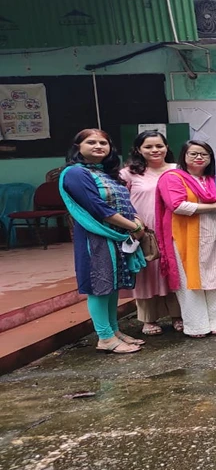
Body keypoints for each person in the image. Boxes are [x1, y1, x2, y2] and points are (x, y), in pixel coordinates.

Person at [59, 129, 148, 354]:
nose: (99, 146)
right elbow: (98, 208)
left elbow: (126, 203)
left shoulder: (107, 173)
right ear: (78, 147)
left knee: (112, 285)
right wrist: (133, 227)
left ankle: (114, 331)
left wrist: (137, 220)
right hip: (95, 237)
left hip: (117, 236)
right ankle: (105, 338)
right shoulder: (75, 173)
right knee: (99, 287)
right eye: (91, 142)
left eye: (103, 143)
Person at [155, 141, 216, 338]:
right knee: (189, 282)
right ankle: (197, 326)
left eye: (204, 154)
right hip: (184, 238)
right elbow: (178, 206)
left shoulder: (211, 180)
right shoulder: (172, 177)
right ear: (184, 156)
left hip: (212, 236)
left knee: (215, 278)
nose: (199, 158)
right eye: (193, 154)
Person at [119, 130, 183, 335]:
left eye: (159, 146)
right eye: (148, 146)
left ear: (167, 147)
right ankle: (149, 319)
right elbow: (121, 201)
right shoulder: (129, 173)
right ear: (138, 149)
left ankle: (178, 315)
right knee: (147, 275)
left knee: (173, 272)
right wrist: (133, 225)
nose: (155, 150)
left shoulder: (178, 169)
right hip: (144, 232)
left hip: (174, 229)